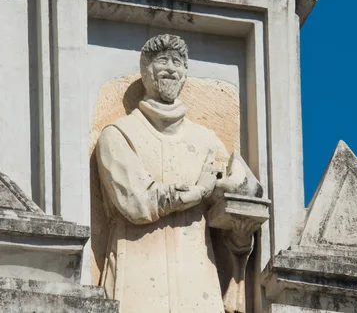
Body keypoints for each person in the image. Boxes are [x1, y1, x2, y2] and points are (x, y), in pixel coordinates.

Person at [96, 34, 252, 313]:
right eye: (162, 61)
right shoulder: (118, 135)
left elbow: (224, 224)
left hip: (197, 285)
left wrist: (241, 225)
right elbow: (137, 203)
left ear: (185, 74)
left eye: (177, 62)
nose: (171, 68)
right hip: (135, 283)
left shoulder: (206, 141)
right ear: (145, 71)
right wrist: (199, 192)